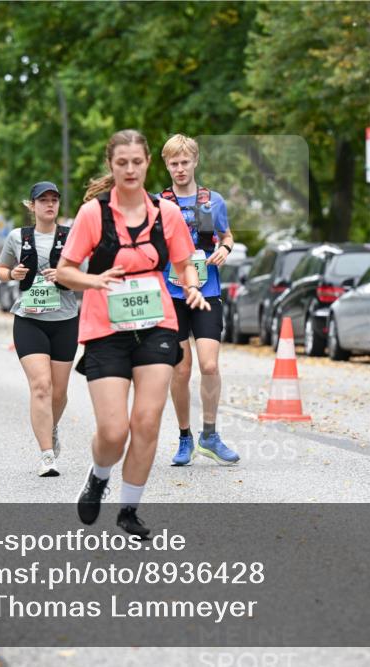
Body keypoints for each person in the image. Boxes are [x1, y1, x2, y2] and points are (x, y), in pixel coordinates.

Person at [55, 129, 207, 538]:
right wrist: (95, 281)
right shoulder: (94, 214)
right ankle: (99, 475)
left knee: (147, 421)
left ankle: (129, 510)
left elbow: (183, 261)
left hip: (157, 323)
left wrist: (191, 286)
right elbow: (66, 271)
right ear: (111, 165)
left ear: (146, 164)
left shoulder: (166, 213)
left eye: (137, 162)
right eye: (121, 163)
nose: (130, 169)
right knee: (114, 430)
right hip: (106, 328)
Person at [159, 134, 240, 466]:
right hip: (173, 292)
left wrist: (224, 249)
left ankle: (210, 433)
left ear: (195, 161)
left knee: (209, 365)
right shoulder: (158, 203)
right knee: (181, 369)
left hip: (207, 291)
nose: (179, 169)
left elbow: (227, 235)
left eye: (184, 162)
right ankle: (184, 437)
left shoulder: (213, 201)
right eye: (173, 164)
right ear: (166, 165)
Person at [0, 181, 80, 477]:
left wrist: (64, 275)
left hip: (65, 320)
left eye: (54, 199)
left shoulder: (71, 237)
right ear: (31, 205)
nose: (49, 204)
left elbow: (83, 277)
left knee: (59, 393)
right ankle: (46, 455)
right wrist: (12, 273)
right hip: (29, 320)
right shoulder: (17, 237)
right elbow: (1, 270)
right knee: (41, 386)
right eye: (42, 200)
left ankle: (51, 427)